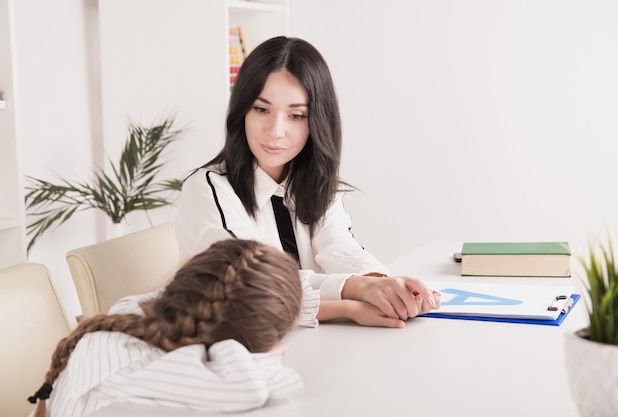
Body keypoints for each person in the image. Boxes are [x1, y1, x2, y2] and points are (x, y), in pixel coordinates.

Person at [172, 36, 441, 328]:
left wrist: (383, 285)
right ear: (242, 112)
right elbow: (253, 286)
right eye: (261, 109)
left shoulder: (315, 182)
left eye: (296, 115)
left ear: (317, 122)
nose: (276, 131)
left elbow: (339, 247)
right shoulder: (208, 191)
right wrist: (350, 302)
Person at [27, 239, 304, 417]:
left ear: (187, 270)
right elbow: (251, 388)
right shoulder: (147, 367)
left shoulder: (134, 309)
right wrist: (270, 352)